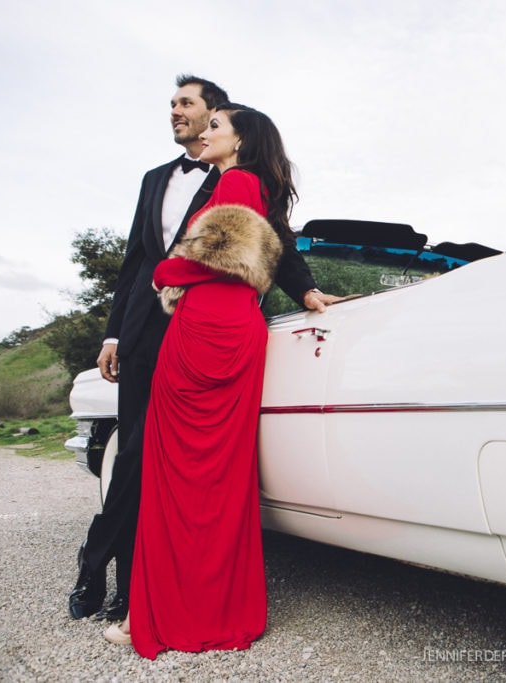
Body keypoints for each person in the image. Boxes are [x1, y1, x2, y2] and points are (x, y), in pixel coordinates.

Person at [68, 77, 339, 622]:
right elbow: (134, 264)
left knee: (173, 462)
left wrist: (305, 289)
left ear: (216, 114)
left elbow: (274, 240)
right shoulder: (155, 180)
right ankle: (100, 567)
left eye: (186, 104)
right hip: (148, 331)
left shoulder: (234, 179)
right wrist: (114, 333)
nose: (175, 112)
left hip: (207, 327)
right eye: (171, 104)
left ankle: (144, 591)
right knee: (138, 457)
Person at [104, 102, 309, 656]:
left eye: (215, 125)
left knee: (177, 479)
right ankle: (212, 609)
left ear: (239, 142)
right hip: (234, 327)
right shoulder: (251, 186)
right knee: (217, 479)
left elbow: (214, 260)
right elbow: (258, 255)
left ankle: (165, 616)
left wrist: (168, 271)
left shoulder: (236, 182)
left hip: (205, 331)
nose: (205, 132)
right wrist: (308, 293)